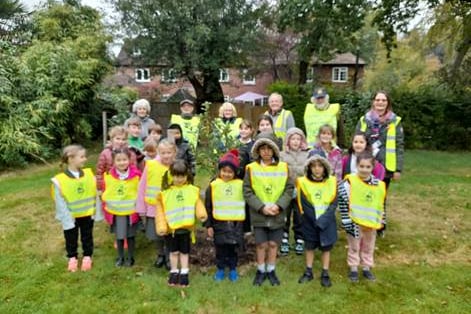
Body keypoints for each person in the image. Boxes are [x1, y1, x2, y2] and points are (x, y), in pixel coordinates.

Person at [244, 132, 294, 286]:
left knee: (273, 244)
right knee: (261, 244)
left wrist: (279, 206)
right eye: (262, 148)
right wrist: (261, 207)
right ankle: (260, 270)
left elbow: (289, 188)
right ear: (257, 151)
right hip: (259, 213)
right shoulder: (251, 168)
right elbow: (247, 190)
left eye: (269, 148)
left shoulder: (284, 167)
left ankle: (271, 269)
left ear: (274, 150)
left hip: (277, 213)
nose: (266, 152)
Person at [156, 160, 207, 287]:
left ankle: (184, 272)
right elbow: (160, 212)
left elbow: (198, 204)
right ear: (171, 176)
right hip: (171, 230)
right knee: (173, 252)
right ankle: (174, 272)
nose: (179, 179)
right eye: (176, 176)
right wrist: (161, 226)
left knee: (184, 252)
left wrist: (201, 214)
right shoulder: (165, 194)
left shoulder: (192, 190)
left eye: (182, 176)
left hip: (185, 229)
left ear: (187, 176)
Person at [51, 145, 102, 272]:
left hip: (87, 214)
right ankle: (72, 257)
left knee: (87, 236)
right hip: (70, 217)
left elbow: (95, 194)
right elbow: (60, 202)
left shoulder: (89, 174)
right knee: (70, 238)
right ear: (71, 159)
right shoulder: (59, 180)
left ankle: (87, 256)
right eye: (82, 157)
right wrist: (67, 217)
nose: (85, 159)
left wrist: (96, 212)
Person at [338, 152, 386, 282]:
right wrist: (346, 221)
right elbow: (342, 202)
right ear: (357, 165)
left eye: (368, 167)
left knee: (368, 245)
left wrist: (382, 220)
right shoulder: (349, 182)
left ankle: (366, 267)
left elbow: (380, 204)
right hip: (354, 221)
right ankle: (353, 267)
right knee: (354, 245)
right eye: (362, 166)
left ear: (372, 167)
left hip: (370, 222)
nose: (364, 170)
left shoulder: (379, 185)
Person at [296, 155, 338, 287]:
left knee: (326, 248)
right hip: (310, 222)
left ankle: (325, 272)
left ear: (325, 168)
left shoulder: (332, 181)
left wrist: (323, 221)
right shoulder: (302, 182)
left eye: (320, 166)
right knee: (309, 247)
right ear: (309, 168)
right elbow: (304, 204)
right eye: (313, 166)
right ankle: (308, 271)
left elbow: (333, 204)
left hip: (327, 222)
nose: (317, 169)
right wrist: (315, 221)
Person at [205, 150, 245, 282]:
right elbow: (208, 206)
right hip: (219, 224)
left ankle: (233, 268)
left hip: (235, 224)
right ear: (219, 171)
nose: (226, 174)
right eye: (224, 171)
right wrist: (209, 225)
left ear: (235, 173)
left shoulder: (240, 185)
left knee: (233, 248)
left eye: (230, 172)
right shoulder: (213, 185)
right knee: (220, 248)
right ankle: (220, 268)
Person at [136, 139, 177, 269]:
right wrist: (141, 208)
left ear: (174, 153)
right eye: (163, 152)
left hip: (171, 208)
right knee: (157, 234)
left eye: (169, 152)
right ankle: (160, 255)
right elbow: (143, 186)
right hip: (154, 208)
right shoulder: (151, 165)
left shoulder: (178, 166)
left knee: (170, 234)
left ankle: (169, 255)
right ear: (159, 152)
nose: (166, 155)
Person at [355, 90, 404, 189]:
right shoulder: (364, 120)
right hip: (365, 165)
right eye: (377, 100)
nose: (380, 102)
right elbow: (356, 143)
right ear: (373, 102)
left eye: (383, 100)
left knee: (381, 199)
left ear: (388, 103)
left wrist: (398, 169)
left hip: (386, 167)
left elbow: (399, 146)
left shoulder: (395, 122)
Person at [101, 148, 141, 267]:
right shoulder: (108, 176)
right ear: (113, 161)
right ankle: (120, 256)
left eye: (124, 159)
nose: (122, 162)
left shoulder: (137, 175)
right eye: (118, 160)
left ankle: (130, 257)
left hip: (131, 212)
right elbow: (105, 193)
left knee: (130, 235)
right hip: (116, 212)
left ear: (129, 160)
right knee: (119, 235)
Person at [279, 127, 309, 256]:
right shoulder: (282, 155)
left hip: (301, 189)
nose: (295, 142)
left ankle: (300, 239)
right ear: (288, 140)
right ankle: (284, 238)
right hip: (286, 189)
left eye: (298, 139)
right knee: (285, 214)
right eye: (293, 139)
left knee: (299, 215)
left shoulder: (307, 154)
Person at [96, 126, 137, 194]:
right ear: (112, 139)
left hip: (126, 186)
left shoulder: (131, 153)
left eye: (123, 139)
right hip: (110, 187)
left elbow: (134, 170)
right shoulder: (105, 153)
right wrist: (100, 188)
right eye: (118, 139)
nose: (120, 142)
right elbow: (100, 172)